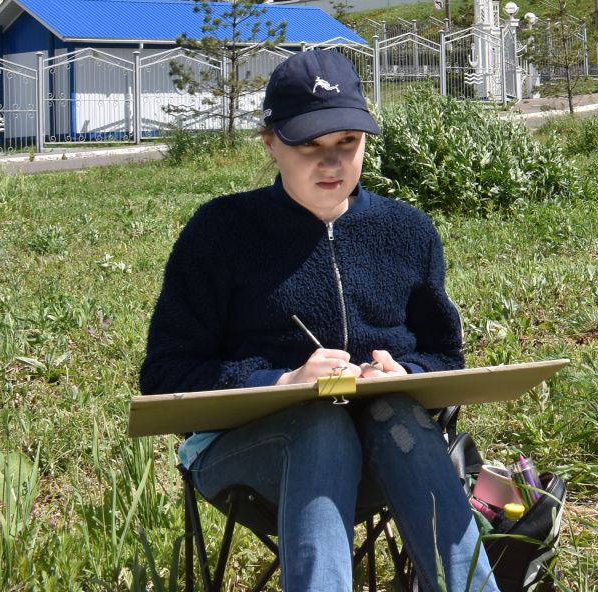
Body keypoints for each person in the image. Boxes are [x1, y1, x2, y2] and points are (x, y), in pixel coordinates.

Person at [140, 49, 495, 592]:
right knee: (321, 424)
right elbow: (165, 376)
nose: (331, 164)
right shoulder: (221, 233)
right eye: (309, 145)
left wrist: (408, 373)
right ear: (269, 142)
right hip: (245, 462)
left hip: (388, 453)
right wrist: (281, 382)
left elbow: (446, 357)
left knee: (396, 413)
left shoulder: (408, 231)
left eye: (347, 144)